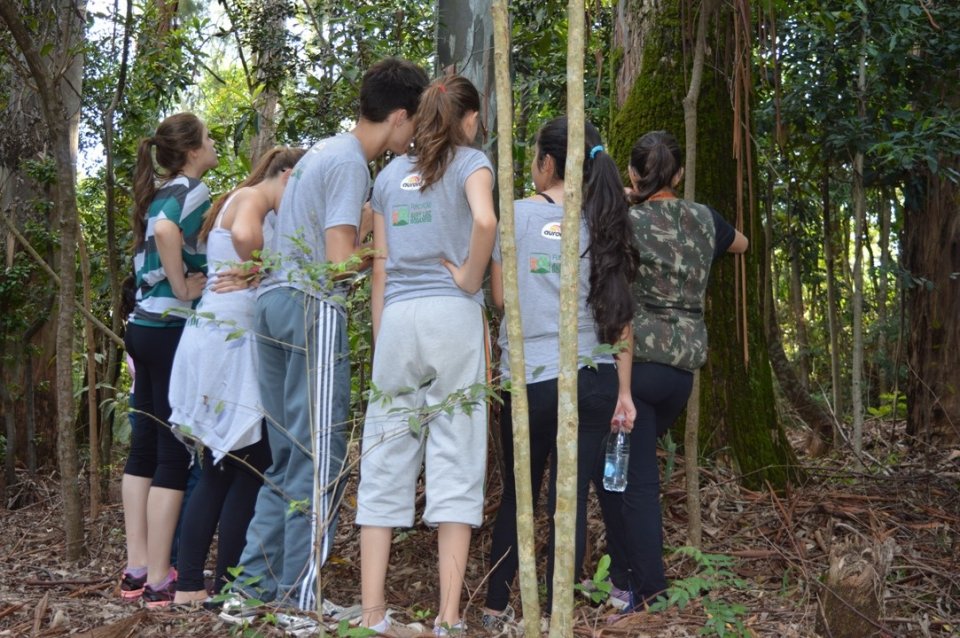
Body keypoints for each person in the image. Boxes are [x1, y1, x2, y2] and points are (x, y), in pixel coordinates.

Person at [228, 58, 430, 615]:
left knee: (288, 459)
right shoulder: (350, 165)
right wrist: (382, 253)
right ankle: (302, 603)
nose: (413, 138)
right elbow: (339, 265)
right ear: (398, 117)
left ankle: (251, 593)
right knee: (320, 459)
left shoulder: (321, 150)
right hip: (310, 307)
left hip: (273, 302)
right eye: (414, 125)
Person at [481, 117, 639, 629]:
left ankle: (496, 606)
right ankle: (556, 613)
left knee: (519, 496)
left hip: (530, 378)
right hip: (591, 377)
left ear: (547, 163)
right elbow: (622, 318)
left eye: (533, 158)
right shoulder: (608, 218)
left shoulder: (518, 216)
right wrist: (624, 391)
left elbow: (502, 299)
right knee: (567, 501)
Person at [356, 74, 497, 637]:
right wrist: (468, 277)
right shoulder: (471, 163)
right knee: (456, 456)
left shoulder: (389, 177)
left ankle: (371, 614)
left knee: (385, 456)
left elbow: (379, 265)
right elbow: (484, 221)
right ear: (465, 119)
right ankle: (447, 615)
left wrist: (382, 333)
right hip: (451, 317)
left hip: (399, 324)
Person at [596, 130, 748, 612]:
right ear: (679, 174)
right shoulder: (705, 219)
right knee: (614, 473)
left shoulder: (627, 221)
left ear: (635, 174)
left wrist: (627, 199)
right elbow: (740, 243)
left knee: (634, 481)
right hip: (681, 372)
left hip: (634, 368)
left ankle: (651, 589)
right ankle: (622, 574)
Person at [167, 146, 306, 606]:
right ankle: (224, 585)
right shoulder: (251, 201)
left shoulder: (237, 197)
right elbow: (248, 237)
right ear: (286, 176)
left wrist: (252, 272)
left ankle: (192, 584)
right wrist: (262, 270)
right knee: (246, 467)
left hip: (218, 336)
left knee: (221, 468)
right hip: (232, 342)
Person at [120, 112, 218, 607]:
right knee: (172, 453)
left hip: (140, 327)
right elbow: (164, 231)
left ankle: (137, 568)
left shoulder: (162, 189)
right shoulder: (190, 189)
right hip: (168, 328)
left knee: (144, 449)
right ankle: (161, 576)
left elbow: (159, 228)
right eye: (209, 137)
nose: (215, 143)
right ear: (193, 150)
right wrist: (182, 286)